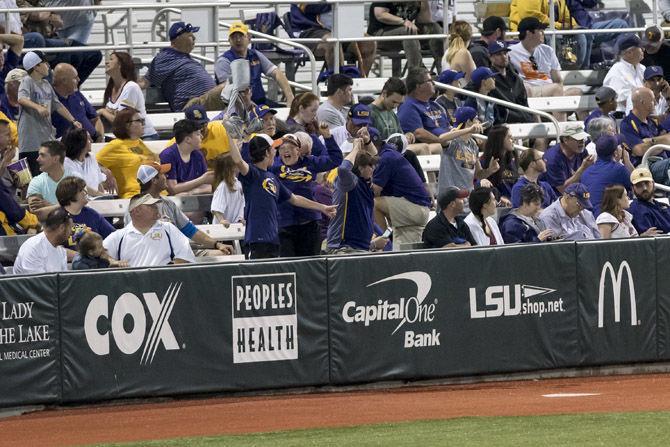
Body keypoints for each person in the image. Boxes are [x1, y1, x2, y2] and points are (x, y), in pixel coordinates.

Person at [228, 133, 336, 259]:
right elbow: (238, 161)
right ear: (267, 153)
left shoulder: (272, 177)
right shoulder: (252, 175)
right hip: (256, 240)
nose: (277, 152)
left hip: (273, 240)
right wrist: (230, 134)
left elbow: (295, 199)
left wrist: (322, 207)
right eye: (274, 149)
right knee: (260, 278)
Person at [134, 163, 234, 256]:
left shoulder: (168, 203)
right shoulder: (137, 208)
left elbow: (190, 230)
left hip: (179, 252)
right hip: (156, 258)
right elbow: (136, 242)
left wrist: (217, 244)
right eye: (162, 174)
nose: (166, 177)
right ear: (154, 180)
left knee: (225, 253)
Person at [272, 128, 343, 257]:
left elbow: (336, 159)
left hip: (309, 223)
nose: (286, 150)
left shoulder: (309, 162)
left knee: (311, 266)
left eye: (291, 147)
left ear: (298, 151)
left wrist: (328, 137)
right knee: (289, 266)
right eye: (282, 148)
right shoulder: (273, 167)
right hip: (285, 225)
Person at [17, 50, 81, 175]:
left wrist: (73, 120)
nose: (48, 66)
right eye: (45, 63)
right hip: (30, 144)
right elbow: (21, 98)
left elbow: (57, 105)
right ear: (36, 66)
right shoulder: (27, 81)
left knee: (49, 177)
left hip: (46, 141)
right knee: (28, 182)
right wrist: (38, 107)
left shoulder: (46, 84)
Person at [508, 17, 579, 120]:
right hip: (531, 91)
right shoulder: (511, 52)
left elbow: (558, 80)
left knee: (577, 93)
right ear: (529, 33)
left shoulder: (548, 50)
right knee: (555, 89)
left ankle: (590, 131)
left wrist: (558, 98)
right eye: (540, 31)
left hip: (551, 91)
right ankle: (563, 132)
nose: (543, 34)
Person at [141, 22, 221, 111]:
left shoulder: (185, 58)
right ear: (177, 39)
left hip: (204, 102)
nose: (194, 38)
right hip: (192, 105)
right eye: (190, 35)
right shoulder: (166, 57)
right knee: (230, 87)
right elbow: (145, 82)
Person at [372, 132, 432, 248]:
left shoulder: (388, 158)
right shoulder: (394, 156)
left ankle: (384, 244)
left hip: (415, 207)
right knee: (403, 250)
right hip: (415, 207)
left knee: (374, 203)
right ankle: (388, 241)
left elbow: (374, 191)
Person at [215, 21, 294, 107]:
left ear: (249, 38)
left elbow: (277, 73)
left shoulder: (255, 54)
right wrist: (249, 105)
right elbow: (227, 91)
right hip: (237, 107)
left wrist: (290, 97)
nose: (238, 40)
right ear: (229, 41)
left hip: (261, 103)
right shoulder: (224, 61)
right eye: (234, 37)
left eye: (241, 36)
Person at [103, 194, 196, 267]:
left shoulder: (168, 228)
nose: (157, 208)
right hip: (132, 287)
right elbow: (100, 251)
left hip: (164, 283)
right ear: (137, 211)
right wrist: (113, 261)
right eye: (152, 206)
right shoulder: (119, 236)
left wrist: (167, 271)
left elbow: (185, 255)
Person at [289, 3, 377, 76]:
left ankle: (359, 87)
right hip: (310, 29)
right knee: (332, 42)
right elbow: (306, 6)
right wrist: (335, 2)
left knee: (369, 43)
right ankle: (338, 87)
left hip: (339, 27)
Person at [326, 137, 381, 253]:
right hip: (343, 247)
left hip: (360, 247)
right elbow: (343, 169)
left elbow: (379, 160)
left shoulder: (366, 184)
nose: (373, 169)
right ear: (360, 168)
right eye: (370, 166)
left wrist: (367, 141)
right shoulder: (349, 181)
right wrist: (355, 148)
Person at [398, 68, 473, 147]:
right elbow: (418, 134)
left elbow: (448, 126)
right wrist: (442, 142)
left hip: (451, 144)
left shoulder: (435, 105)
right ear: (418, 86)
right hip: (437, 148)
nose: (434, 83)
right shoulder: (408, 106)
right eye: (429, 81)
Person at [96, 108, 157, 198]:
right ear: (127, 125)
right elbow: (91, 162)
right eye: (139, 121)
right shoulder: (116, 145)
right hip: (134, 195)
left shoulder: (138, 142)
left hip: (155, 193)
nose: (143, 124)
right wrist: (106, 171)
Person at [367, 0, 443, 73]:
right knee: (407, 30)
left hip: (404, 32)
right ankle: (417, 71)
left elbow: (424, 21)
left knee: (434, 28)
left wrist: (423, 3)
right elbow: (380, 14)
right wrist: (403, 21)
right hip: (379, 35)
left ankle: (442, 67)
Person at [510, 0, 588, 69]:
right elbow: (530, 15)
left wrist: (573, 26)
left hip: (554, 28)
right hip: (530, 29)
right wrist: (558, 25)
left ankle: (579, 70)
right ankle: (552, 70)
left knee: (581, 33)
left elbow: (566, 16)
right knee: (550, 35)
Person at [437, 106, 496, 196]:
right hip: (451, 200)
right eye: (476, 119)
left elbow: (478, 174)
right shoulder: (454, 140)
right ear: (469, 122)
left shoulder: (473, 145)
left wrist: (490, 170)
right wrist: (469, 129)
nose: (479, 122)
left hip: (468, 199)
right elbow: (441, 138)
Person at [99, 51, 157, 139]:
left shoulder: (131, 87)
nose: (107, 62)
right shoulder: (111, 88)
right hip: (127, 137)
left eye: (111, 59)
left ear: (120, 65)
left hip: (144, 136)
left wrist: (103, 111)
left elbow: (122, 121)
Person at [368, 76, 431, 154]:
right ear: (384, 94)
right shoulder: (370, 113)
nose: (395, 106)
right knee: (423, 148)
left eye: (399, 103)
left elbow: (399, 135)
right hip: (382, 152)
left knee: (437, 147)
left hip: (395, 150)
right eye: (394, 102)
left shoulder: (391, 112)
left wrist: (407, 136)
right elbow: (372, 144)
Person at [620, 87, 670, 185]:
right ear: (642, 103)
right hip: (645, 166)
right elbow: (639, 150)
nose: (655, 103)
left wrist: (651, 141)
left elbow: (668, 139)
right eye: (652, 100)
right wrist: (660, 142)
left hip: (662, 163)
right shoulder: (627, 124)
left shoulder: (652, 121)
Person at [55, 176, 115, 248]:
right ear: (71, 194)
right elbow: (54, 248)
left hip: (94, 257)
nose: (86, 192)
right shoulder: (58, 218)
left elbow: (113, 236)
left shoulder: (91, 214)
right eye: (82, 190)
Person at [26, 140, 81, 219]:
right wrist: (66, 206)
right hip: (48, 228)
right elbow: (37, 213)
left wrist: (49, 205)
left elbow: (79, 208)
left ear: (55, 159)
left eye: (42, 155)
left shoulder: (76, 178)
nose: (37, 159)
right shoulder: (36, 181)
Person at [580, 134, 632, 216]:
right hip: (607, 219)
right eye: (619, 146)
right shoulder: (619, 169)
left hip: (588, 220)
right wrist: (627, 161)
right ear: (615, 153)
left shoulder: (586, 171)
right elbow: (637, 185)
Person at [51, 63, 103, 141]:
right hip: (71, 147)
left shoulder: (76, 94)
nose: (79, 79)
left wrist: (100, 139)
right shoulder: (51, 100)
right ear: (64, 80)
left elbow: (95, 119)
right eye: (75, 78)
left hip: (93, 141)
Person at [159, 119, 212, 195]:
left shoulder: (198, 155)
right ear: (188, 139)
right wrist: (202, 180)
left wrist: (191, 192)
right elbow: (172, 189)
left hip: (196, 200)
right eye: (198, 134)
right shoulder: (168, 155)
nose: (202, 136)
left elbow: (208, 187)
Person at [488, 41, 536, 124]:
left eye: (505, 53)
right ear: (491, 58)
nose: (504, 57)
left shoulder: (516, 78)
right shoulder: (488, 79)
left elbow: (524, 103)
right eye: (499, 54)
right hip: (502, 123)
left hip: (522, 120)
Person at [12, 207, 71, 274]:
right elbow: (37, 282)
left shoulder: (60, 251)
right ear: (62, 228)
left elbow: (63, 280)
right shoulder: (33, 248)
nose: (71, 232)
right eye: (70, 228)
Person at [541, 124, 594, 194]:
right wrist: (582, 169)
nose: (582, 142)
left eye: (583, 138)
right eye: (578, 139)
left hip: (576, 194)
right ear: (565, 139)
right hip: (555, 199)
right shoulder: (552, 159)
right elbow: (564, 190)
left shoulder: (581, 151)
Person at [62, 127, 111, 197]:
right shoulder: (66, 162)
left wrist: (104, 199)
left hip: (96, 200)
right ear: (79, 143)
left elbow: (99, 183)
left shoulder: (91, 157)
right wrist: (101, 195)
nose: (91, 141)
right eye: (88, 139)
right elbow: (79, 186)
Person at [603, 34, 646, 112]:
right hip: (622, 116)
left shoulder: (642, 68)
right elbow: (625, 101)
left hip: (643, 113)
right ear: (630, 53)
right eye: (640, 47)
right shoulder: (617, 71)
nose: (644, 49)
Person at [481, 125, 518, 201]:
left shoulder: (512, 158)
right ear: (500, 140)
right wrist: (499, 197)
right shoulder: (485, 161)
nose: (513, 140)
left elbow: (515, 181)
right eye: (509, 137)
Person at [628, 167, 670, 234]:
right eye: (639, 185)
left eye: (647, 183)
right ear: (633, 189)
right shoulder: (636, 209)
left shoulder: (663, 205)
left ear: (653, 183)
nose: (644, 188)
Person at [211, 154, 244, 226]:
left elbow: (241, 205)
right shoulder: (223, 186)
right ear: (232, 167)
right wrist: (221, 220)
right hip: (221, 230)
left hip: (234, 226)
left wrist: (240, 218)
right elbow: (216, 207)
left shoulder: (238, 184)